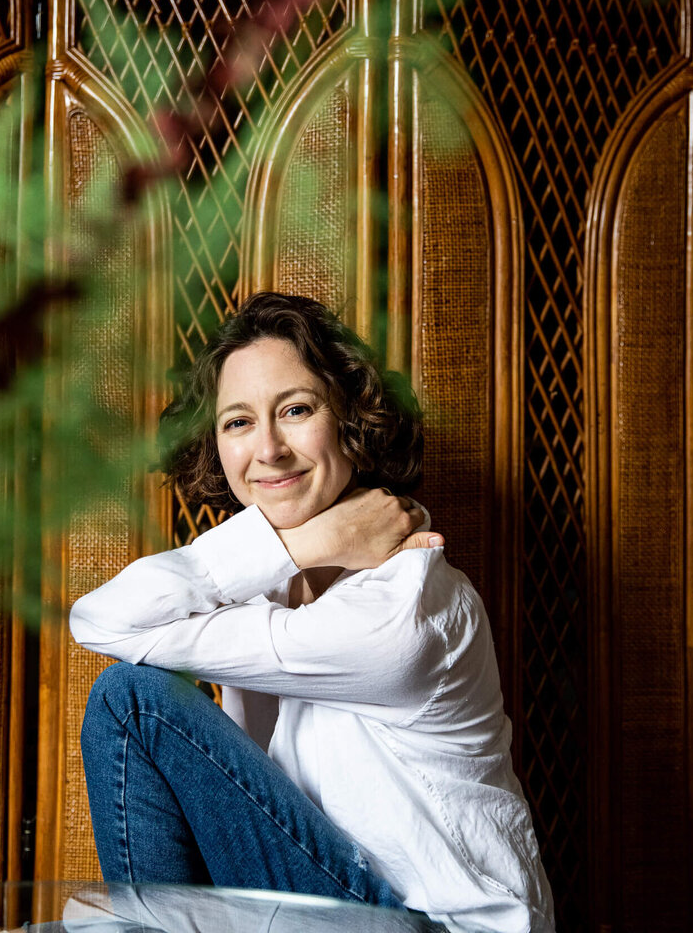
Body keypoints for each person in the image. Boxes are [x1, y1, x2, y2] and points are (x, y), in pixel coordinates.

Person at [71, 292, 555, 933]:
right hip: (321, 904)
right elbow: (97, 617)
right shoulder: (261, 590)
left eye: (296, 410)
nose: (267, 449)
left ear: (353, 420)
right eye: (237, 422)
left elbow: (112, 636)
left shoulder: (409, 606)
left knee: (130, 698)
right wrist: (310, 542)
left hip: (436, 927)